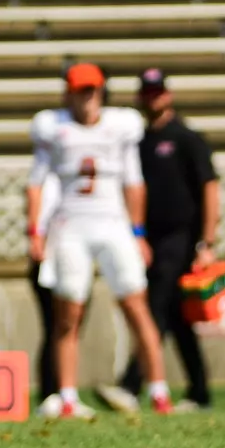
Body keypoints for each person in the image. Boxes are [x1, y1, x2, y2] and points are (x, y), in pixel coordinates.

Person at [27, 64, 172, 419]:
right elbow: (36, 182)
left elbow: (133, 182)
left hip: (112, 223)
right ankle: (67, 396)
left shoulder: (119, 126)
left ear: (102, 91)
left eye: (92, 90)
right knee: (68, 316)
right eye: (80, 90)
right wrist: (36, 231)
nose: (87, 98)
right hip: (71, 224)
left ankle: (158, 390)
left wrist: (138, 233)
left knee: (137, 308)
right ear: (68, 93)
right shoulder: (53, 127)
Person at [107, 69, 219, 413]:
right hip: (147, 236)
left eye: (158, 92)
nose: (154, 98)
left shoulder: (186, 138)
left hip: (179, 236)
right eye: (148, 93)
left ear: (167, 95)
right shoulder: (137, 141)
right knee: (177, 317)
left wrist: (207, 241)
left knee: (155, 307)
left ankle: (130, 385)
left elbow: (209, 187)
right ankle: (199, 391)